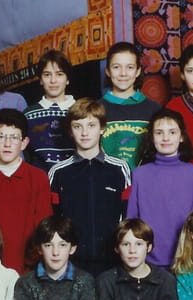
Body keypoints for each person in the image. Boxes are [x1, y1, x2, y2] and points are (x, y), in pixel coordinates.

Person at [49, 98, 132, 276]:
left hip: (113, 261)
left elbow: (128, 216)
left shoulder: (119, 168)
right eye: (77, 126)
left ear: (102, 128)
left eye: (91, 125)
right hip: (72, 263)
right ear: (70, 131)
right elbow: (54, 220)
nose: (84, 133)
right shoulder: (58, 172)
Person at [0, 108, 53, 274]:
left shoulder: (38, 178)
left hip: (30, 270)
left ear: (24, 143)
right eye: (1, 137)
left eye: (14, 137)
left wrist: (30, 266)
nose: (7, 144)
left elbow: (43, 228)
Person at [127, 108, 193, 268]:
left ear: (181, 136)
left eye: (172, 132)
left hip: (185, 258)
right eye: (159, 132)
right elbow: (132, 220)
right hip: (147, 261)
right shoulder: (140, 174)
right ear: (151, 137)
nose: (165, 138)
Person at [99, 41, 161, 169]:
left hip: (144, 180)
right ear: (108, 71)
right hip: (107, 179)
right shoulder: (96, 109)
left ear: (138, 71)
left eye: (130, 67)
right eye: (116, 67)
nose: (123, 73)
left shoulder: (155, 110)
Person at [23, 50, 76, 170]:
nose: (53, 80)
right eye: (47, 75)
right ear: (41, 80)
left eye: (59, 74)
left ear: (67, 79)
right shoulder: (28, 114)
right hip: (39, 179)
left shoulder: (81, 112)